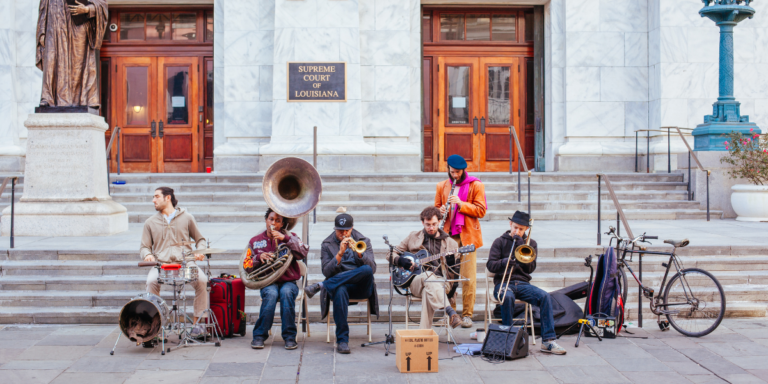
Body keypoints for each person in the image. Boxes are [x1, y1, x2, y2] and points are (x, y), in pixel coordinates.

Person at [486, 211, 567, 355]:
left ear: (526, 230)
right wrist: (506, 262)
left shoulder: (531, 244)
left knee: (545, 297)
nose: (517, 231)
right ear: (510, 224)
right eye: (515, 227)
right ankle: (508, 338)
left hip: (523, 284)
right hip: (504, 283)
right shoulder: (500, 242)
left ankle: (548, 341)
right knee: (508, 297)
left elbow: (530, 269)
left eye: (521, 229)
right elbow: (491, 265)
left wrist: (522, 246)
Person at [304, 209, 378, 354]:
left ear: (352, 229)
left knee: (367, 270)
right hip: (340, 286)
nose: (343, 234)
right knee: (339, 289)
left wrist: (360, 254)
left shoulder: (364, 241)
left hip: (361, 286)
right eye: (340, 231)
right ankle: (342, 341)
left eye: (346, 231)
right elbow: (326, 271)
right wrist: (339, 254)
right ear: (335, 229)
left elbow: (373, 268)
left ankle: (322, 285)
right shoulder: (327, 244)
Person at [140, 187, 209, 341]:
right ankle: (154, 328)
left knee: (202, 281)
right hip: (161, 264)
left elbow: (200, 239)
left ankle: (197, 326)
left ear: (168, 198)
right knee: (151, 282)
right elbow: (144, 246)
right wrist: (148, 255)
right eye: (153, 197)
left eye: (156, 196)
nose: (153, 200)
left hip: (186, 263)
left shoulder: (187, 217)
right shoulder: (150, 222)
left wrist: (200, 251)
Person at [387, 206, 462, 329]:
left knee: (429, 288)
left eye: (434, 224)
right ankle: (451, 312)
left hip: (442, 283)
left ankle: (424, 335)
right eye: (427, 224)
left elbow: (455, 274)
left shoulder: (451, 244)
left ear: (439, 221)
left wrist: (451, 262)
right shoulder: (413, 236)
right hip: (416, 281)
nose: (431, 228)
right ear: (422, 222)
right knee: (428, 276)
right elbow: (390, 253)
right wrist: (400, 260)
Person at [434, 154, 486, 328]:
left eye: (458, 172)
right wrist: (440, 211)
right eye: (452, 172)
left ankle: (468, 315)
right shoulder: (442, 185)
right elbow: (435, 210)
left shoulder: (476, 185)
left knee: (468, 276)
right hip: (448, 236)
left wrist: (461, 203)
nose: (455, 175)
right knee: (448, 276)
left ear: (464, 170)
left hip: (468, 236)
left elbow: (481, 210)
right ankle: (451, 314)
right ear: (448, 169)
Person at [245, 208, 309, 351]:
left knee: (286, 293)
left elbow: (303, 251)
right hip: (268, 282)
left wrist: (284, 239)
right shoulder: (255, 241)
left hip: (289, 281)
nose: (273, 223)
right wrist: (258, 258)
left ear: (282, 224)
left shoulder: (291, 237)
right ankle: (259, 336)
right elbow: (246, 266)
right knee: (271, 294)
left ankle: (290, 337)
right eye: (271, 219)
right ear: (266, 220)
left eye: (278, 221)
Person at [36, 0, 108, 107]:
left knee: (78, 64)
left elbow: (102, 5)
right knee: (51, 61)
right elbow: (43, 9)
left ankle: (82, 100)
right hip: (54, 27)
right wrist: (42, 31)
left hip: (78, 27)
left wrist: (88, 9)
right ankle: (48, 97)